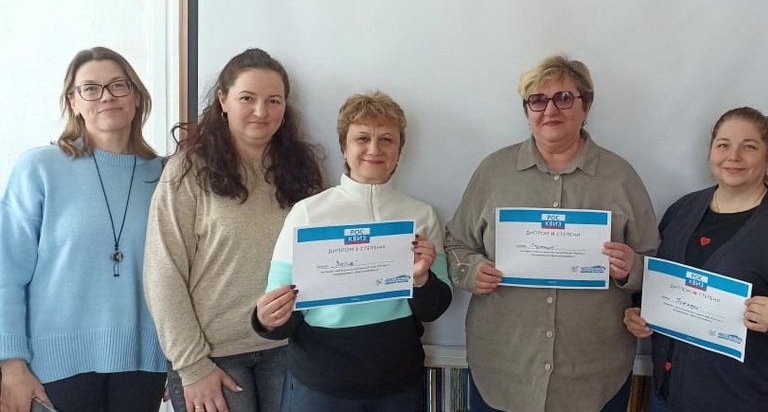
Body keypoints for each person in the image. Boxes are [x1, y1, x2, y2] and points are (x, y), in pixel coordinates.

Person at [444, 55, 660, 412]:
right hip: (503, 369)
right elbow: (456, 243)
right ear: (527, 110)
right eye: (537, 100)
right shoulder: (493, 172)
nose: (550, 110)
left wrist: (631, 268)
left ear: (586, 106)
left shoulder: (621, 177)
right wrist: (471, 271)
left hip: (594, 374)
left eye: (564, 98)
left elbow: (653, 263)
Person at [623, 106, 768, 412]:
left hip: (744, 401)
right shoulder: (682, 210)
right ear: (711, 151)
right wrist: (639, 311)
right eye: (723, 145)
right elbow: (658, 283)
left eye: (748, 147)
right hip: (666, 397)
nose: (733, 157)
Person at [143, 48, 323, 412]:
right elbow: (163, 272)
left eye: (273, 101)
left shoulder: (303, 170)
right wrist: (191, 366)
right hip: (212, 357)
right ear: (223, 101)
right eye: (247, 98)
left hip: (289, 348)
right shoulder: (187, 171)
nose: (261, 111)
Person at [253, 91, 452, 410]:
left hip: (398, 385)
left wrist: (421, 278)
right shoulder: (308, 214)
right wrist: (266, 319)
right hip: (321, 386)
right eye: (362, 138)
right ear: (344, 147)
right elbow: (281, 317)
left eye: (386, 139)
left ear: (399, 150)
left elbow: (434, 309)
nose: (374, 149)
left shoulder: (421, 215)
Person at [0, 47, 168, 412]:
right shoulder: (39, 168)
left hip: (145, 364)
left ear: (137, 97)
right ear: (73, 102)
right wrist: (11, 364)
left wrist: (179, 357)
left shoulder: (165, 175)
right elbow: (6, 273)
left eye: (118, 85)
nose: (106, 96)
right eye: (90, 88)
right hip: (53, 367)